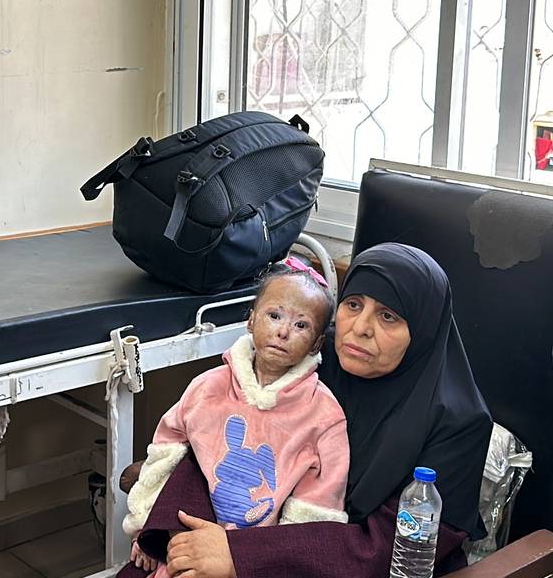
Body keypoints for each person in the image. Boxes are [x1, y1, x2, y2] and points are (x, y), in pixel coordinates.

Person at [122, 243, 492, 578]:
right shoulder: (313, 358)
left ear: (423, 330)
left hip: (349, 565)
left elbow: (388, 547)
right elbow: (213, 438)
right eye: (353, 304)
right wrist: (184, 533)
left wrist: (240, 555)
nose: (359, 329)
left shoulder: (458, 422)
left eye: (388, 316)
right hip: (242, 529)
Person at [123, 260, 348, 577]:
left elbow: (316, 511)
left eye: (301, 326)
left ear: (316, 343)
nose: (283, 331)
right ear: (251, 320)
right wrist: (150, 525)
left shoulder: (324, 415)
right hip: (186, 537)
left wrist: (264, 562)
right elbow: (166, 454)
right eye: (274, 316)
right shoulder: (207, 387)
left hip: (256, 559)